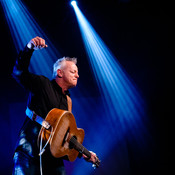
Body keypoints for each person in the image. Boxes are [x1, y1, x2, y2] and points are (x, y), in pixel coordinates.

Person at [12, 36, 98, 175]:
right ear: (59, 72)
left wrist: (83, 152)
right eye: (73, 72)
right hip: (29, 152)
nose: (78, 76)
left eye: (77, 72)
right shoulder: (43, 84)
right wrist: (29, 48)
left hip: (53, 159)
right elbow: (18, 73)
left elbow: (65, 136)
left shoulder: (68, 101)